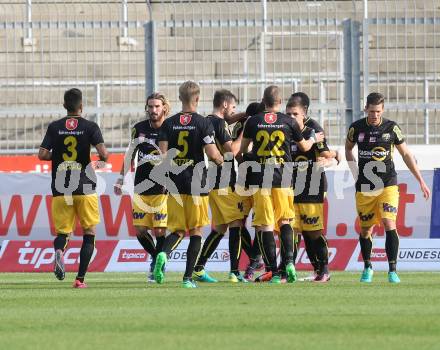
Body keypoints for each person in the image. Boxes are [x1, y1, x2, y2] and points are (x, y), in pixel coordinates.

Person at [239, 85, 323, 284]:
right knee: (285, 221)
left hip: (261, 178)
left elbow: (242, 151)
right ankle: (289, 263)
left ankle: (275, 272)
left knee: (266, 225)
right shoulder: (289, 121)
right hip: (284, 177)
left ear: (263, 100)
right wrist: (312, 138)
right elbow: (304, 147)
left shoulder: (253, 121)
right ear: (280, 102)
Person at [345, 92, 431, 283]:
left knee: (388, 222)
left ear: (382, 110)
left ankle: (392, 270)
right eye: (372, 111)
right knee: (366, 229)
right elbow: (348, 149)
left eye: (378, 111)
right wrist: (354, 173)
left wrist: (421, 181)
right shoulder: (356, 128)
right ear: (365, 108)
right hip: (365, 187)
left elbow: (406, 154)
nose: (375, 115)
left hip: (388, 185)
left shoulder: (392, 128)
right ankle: (368, 267)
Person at [154, 81, 224, 288]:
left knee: (176, 230)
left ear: (179, 98)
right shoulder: (203, 122)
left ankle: (164, 254)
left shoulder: (169, 123)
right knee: (195, 231)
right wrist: (221, 160)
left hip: (175, 183)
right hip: (197, 183)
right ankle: (187, 279)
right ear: (197, 99)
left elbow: (163, 156)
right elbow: (212, 154)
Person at [38, 88, 109, 288]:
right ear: (81, 107)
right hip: (85, 187)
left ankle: (59, 251)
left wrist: (58, 156)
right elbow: (104, 154)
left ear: (64, 106)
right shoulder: (90, 126)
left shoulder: (54, 127)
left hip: (61, 188)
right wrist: (97, 162)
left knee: (63, 234)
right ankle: (80, 279)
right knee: (89, 231)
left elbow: (42, 155)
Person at [192, 90, 247, 283]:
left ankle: (198, 268)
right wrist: (243, 135)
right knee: (237, 224)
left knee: (220, 228)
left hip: (212, 181)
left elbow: (225, 123)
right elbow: (231, 149)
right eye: (233, 107)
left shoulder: (205, 121)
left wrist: (242, 115)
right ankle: (234, 272)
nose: (234, 111)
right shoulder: (221, 123)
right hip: (226, 180)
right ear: (224, 105)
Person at [114, 92, 170, 282]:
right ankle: (157, 257)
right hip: (141, 185)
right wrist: (121, 177)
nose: (153, 110)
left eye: (157, 106)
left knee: (160, 230)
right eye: (150, 106)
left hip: (163, 187)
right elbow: (129, 154)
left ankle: (157, 264)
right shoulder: (139, 129)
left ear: (164, 108)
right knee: (140, 230)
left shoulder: (171, 128)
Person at [286, 93, 339, 283]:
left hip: (312, 185)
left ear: (304, 113)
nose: (291, 118)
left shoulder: (314, 129)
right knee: (295, 229)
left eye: (295, 114)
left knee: (314, 231)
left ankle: (324, 269)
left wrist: (334, 156)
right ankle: (314, 270)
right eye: (288, 114)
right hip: (291, 187)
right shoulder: (286, 129)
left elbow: (325, 154)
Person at [231, 102, 266, 281]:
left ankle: (254, 262)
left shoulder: (263, 125)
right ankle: (255, 256)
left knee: (260, 222)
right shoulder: (242, 125)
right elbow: (235, 150)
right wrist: (244, 160)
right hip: (245, 179)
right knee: (237, 221)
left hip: (261, 180)